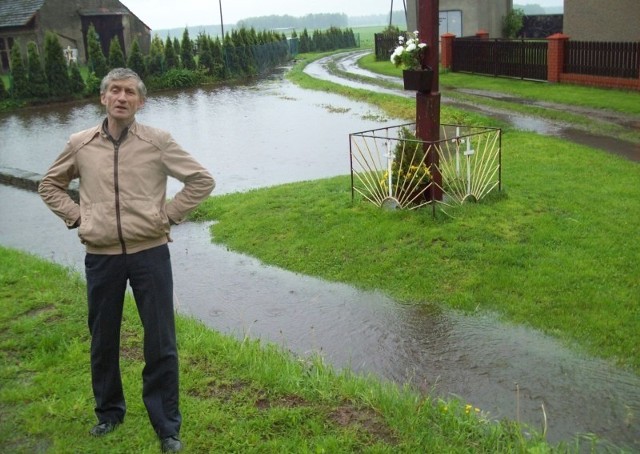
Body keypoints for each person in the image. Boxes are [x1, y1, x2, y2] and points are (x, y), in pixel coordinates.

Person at [39, 68, 215, 453]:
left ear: (141, 101)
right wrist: (78, 217)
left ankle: (167, 427)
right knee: (103, 340)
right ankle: (109, 414)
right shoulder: (80, 143)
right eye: (114, 91)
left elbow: (201, 180)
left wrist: (166, 216)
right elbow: (49, 185)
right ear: (103, 98)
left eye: (130, 92)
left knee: (161, 342)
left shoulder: (158, 142)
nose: (121, 97)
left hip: (150, 254)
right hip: (101, 258)